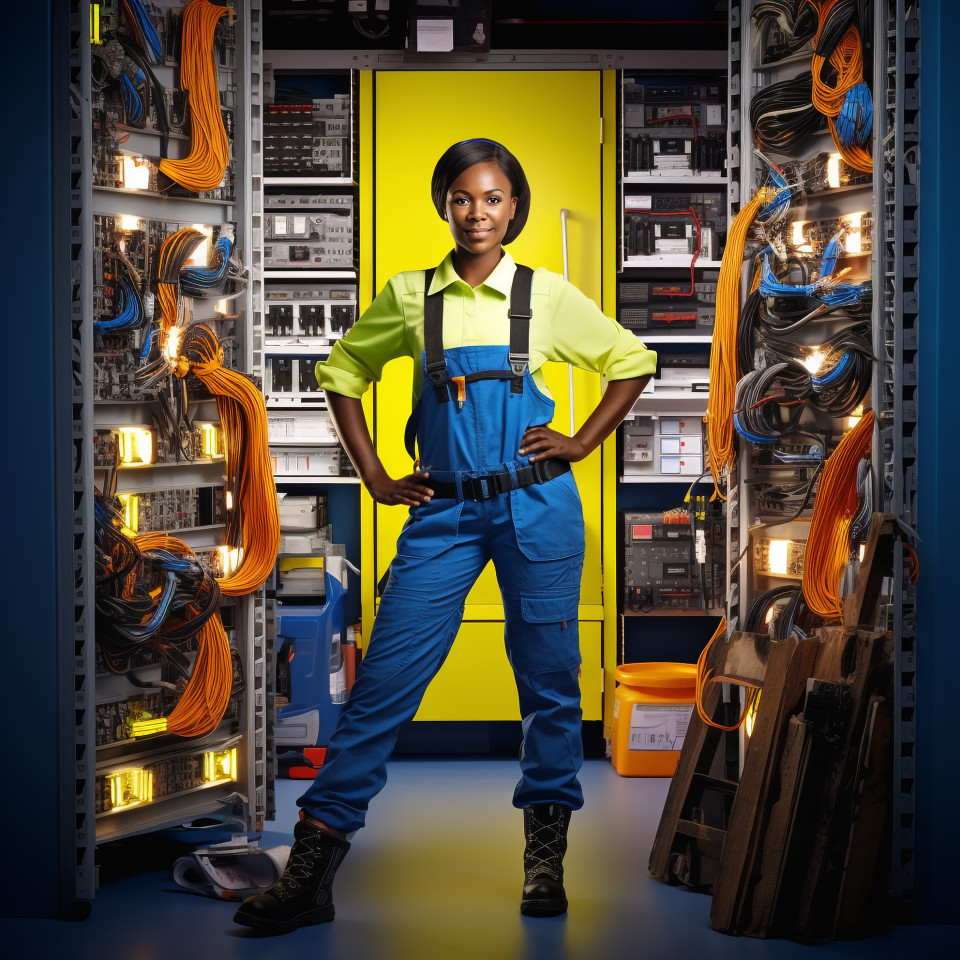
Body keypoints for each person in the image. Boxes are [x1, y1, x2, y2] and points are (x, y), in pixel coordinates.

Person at [234, 139, 656, 934]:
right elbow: (341, 374)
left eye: (493, 198)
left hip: (538, 507)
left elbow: (632, 360)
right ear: (444, 204)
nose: (477, 213)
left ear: (514, 208)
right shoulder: (409, 296)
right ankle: (312, 874)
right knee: (383, 685)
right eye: (463, 197)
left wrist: (581, 441)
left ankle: (544, 861)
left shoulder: (544, 294)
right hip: (443, 515)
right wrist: (373, 474)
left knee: (550, 686)